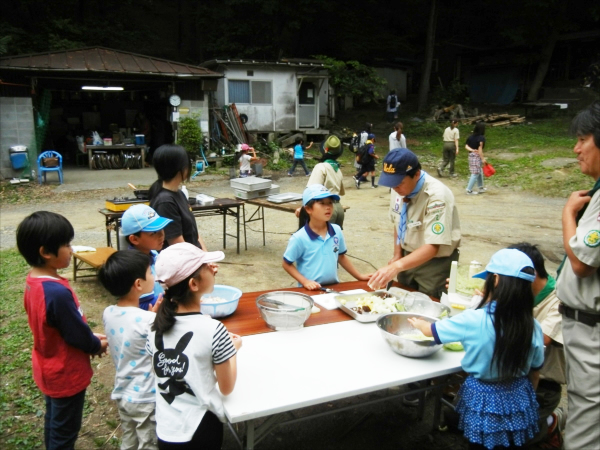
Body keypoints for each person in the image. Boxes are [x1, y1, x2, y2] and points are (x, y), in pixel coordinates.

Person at [409, 248, 544, 450]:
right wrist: (523, 400)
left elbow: (432, 331)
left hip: (484, 398)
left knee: (482, 445)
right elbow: (535, 372)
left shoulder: (474, 319)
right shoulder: (533, 325)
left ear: (495, 281)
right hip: (519, 395)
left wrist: (419, 324)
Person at [16, 211, 108, 449]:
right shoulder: (56, 293)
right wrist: (95, 344)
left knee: (54, 422)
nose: (71, 248)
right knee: (65, 432)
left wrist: (87, 335)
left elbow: (58, 326)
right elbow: (74, 334)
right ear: (46, 252)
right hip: (66, 373)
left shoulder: (33, 282)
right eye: (67, 244)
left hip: (48, 366)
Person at [147, 243, 242, 449]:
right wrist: (232, 350)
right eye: (206, 265)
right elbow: (227, 388)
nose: (213, 267)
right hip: (201, 429)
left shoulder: (154, 326)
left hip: (166, 429)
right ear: (193, 284)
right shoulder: (214, 330)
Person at [555, 101, 600, 450]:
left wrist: (567, 214)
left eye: (583, 138)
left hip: (593, 331)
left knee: (586, 420)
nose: (576, 148)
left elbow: (582, 262)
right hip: (582, 324)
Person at [369, 149, 461, 299]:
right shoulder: (399, 189)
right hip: (407, 259)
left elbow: (433, 247)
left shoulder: (437, 196)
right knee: (401, 302)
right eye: (391, 184)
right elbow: (398, 222)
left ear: (416, 174)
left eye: (398, 184)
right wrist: (397, 254)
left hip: (434, 265)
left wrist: (395, 267)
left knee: (428, 307)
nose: (394, 188)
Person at [98, 251, 161, 450]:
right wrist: (153, 318)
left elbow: (131, 331)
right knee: (148, 443)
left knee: (130, 439)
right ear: (138, 284)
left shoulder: (108, 313)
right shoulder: (147, 321)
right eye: (150, 272)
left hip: (123, 393)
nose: (154, 275)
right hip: (146, 397)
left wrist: (149, 317)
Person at [506, 243, 566, 448]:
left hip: (542, 386)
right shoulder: (518, 289)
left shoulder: (560, 299)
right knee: (463, 420)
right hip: (509, 374)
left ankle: (551, 421)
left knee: (515, 440)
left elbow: (542, 339)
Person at [283, 185, 372, 290]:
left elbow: (341, 256)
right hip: (310, 290)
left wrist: (359, 276)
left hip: (333, 288)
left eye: (330, 202)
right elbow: (286, 264)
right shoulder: (299, 238)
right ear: (308, 209)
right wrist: (305, 281)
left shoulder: (336, 230)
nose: (328, 207)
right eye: (322, 203)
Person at [149, 144, 207, 250]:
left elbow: (194, 233)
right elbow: (178, 246)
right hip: (182, 262)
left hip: (194, 258)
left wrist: (206, 256)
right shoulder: (165, 202)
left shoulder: (179, 193)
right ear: (180, 168)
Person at [121, 204, 173, 311]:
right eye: (154, 233)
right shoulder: (134, 268)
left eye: (162, 229)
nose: (161, 235)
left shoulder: (153, 253)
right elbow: (143, 306)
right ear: (134, 239)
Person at [296, 135, 346, 228]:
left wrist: (303, 208)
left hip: (325, 209)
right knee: (333, 241)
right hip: (338, 209)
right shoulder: (338, 170)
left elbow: (312, 191)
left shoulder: (321, 167)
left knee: (319, 239)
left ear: (325, 150)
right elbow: (341, 192)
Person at [465, 122, 487, 195]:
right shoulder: (481, 137)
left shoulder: (471, 137)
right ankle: (469, 189)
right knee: (475, 173)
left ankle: (480, 187)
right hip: (476, 156)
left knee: (479, 171)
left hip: (471, 155)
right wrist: (483, 158)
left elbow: (466, 146)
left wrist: (472, 150)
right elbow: (480, 148)